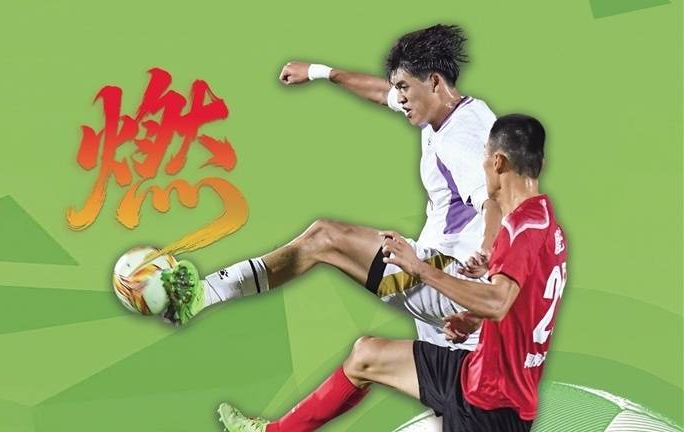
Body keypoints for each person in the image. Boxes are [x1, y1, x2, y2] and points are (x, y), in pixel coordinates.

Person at [217, 113, 567, 432]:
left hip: (489, 409)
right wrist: (473, 319)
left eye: (484, 158)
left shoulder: (520, 230)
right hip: (478, 375)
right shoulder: (547, 225)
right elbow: (522, 302)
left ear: (498, 162)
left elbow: (499, 302)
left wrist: (419, 269)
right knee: (367, 356)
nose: (483, 167)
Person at [163, 25, 499, 356]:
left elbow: (496, 204)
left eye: (403, 87)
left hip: (450, 282)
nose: (398, 97)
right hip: (456, 294)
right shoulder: (453, 109)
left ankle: (207, 292)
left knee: (325, 238)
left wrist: (484, 269)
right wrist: (319, 72)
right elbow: (380, 94)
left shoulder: (460, 137)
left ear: (434, 82)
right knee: (446, 389)